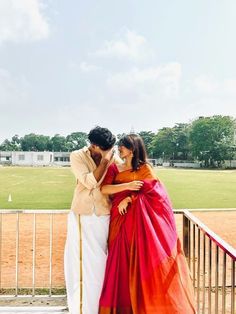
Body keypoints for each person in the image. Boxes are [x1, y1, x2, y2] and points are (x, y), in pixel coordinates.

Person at [99, 134, 196, 314]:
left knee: (140, 260)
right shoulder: (115, 168)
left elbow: (158, 197)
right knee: (120, 261)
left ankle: (145, 305)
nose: (120, 148)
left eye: (123, 146)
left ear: (133, 149)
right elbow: (104, 189)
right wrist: (127, 187)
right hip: (119, 222)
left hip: (139, 224)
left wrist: (130, 199)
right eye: (120, 145)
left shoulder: (145, 169)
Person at [64, 126, 120, 314]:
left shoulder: (112, 155)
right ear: (94, 146)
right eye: (104, 149)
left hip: (104, 213)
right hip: (83, 214)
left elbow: (123, 172)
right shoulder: (78, 156)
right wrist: (104, 161)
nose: (108, 152)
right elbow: (90, 182)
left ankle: (101, 306)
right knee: (81, 264)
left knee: (101, 262)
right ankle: (83, 309)